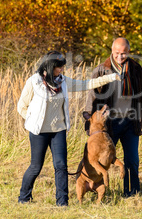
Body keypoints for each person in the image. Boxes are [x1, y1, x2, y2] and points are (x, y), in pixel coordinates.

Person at [17, 51, 120, 206]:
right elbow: (21, 106)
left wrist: (111, 77)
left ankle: (62, 202)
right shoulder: (34, 82)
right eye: (59, 67)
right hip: (38, 131)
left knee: (61, 166)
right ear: (50, 66)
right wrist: (32, 121)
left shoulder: (63, 81)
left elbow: (87, 84)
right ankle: (24, 198)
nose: (62, 70)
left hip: (58, 130)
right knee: (36, 166)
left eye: (63, 67)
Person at [83, 37, 142, 197]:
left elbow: (141, 96)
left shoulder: (135, 69)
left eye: (124, 53)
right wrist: (88, 122)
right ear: (112, 51)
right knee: (100, 158)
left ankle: (132, 194)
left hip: (130, 121)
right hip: (108, 124)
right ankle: (95, 189)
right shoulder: (101, 70)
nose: (120, 57)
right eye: (117, 53)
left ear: (129, 52)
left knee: (132, 160)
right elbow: (91, 96)